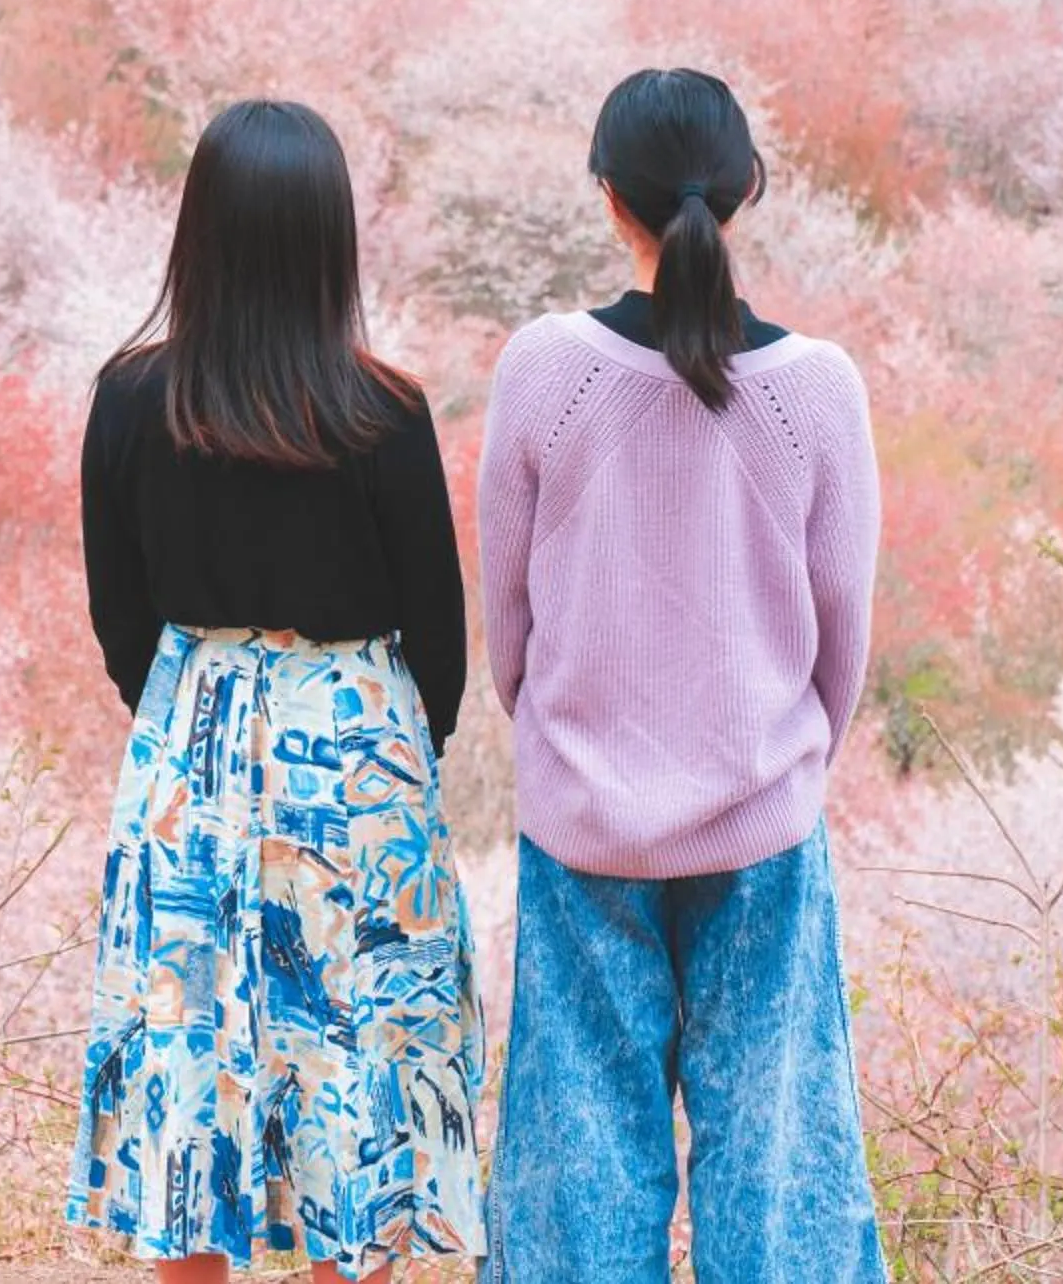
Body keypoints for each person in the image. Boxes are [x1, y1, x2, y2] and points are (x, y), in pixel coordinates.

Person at [476, 66, 887, 1281]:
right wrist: (780, 757)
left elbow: (508, 617)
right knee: (777, 1163)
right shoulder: (817, 387)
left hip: (585, 822)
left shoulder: (545, 369)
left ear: (611, 199)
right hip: (759, 818)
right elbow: (842, 628)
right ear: (749, 188)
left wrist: (564, 738)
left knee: (579, 1167)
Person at [66, 98, 484, 1284]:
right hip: (356, 752)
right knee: (355, 1045)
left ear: (195, 233)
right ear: (329, 243)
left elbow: (118, 617)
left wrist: (195, 716)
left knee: (191, 1044)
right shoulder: (383, 412)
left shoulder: (133, 398)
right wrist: (399, 739)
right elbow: (438, 630)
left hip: (188, 756)